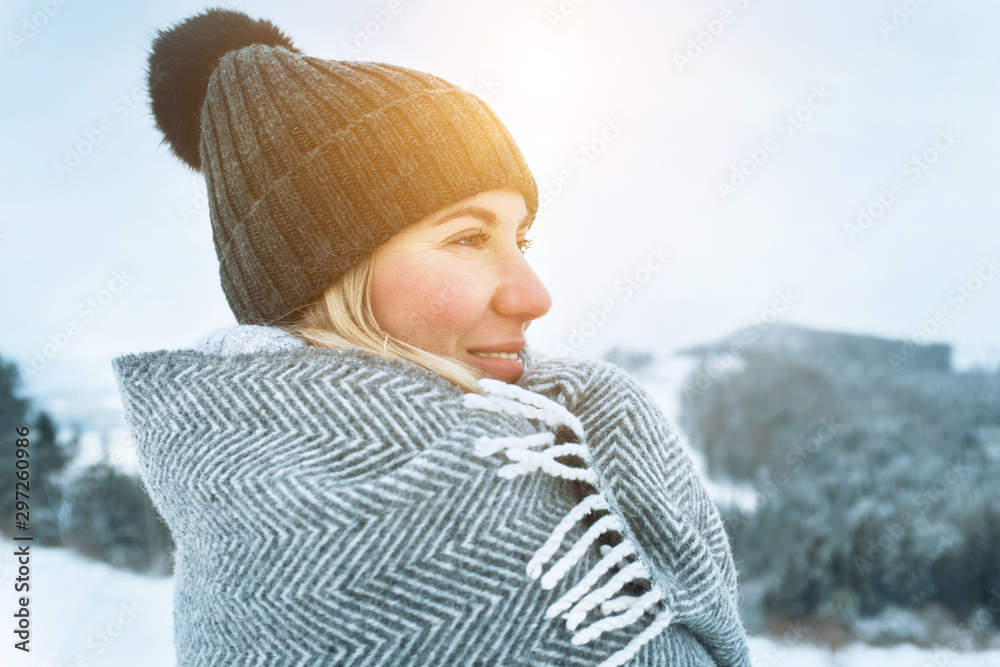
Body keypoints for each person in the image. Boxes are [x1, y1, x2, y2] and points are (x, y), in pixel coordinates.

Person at [112, 8, 751, 666]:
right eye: (468, 238)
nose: (533, 295)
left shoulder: (569, 431)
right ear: (328, 276)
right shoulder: (488, 519)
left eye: (520, 238)